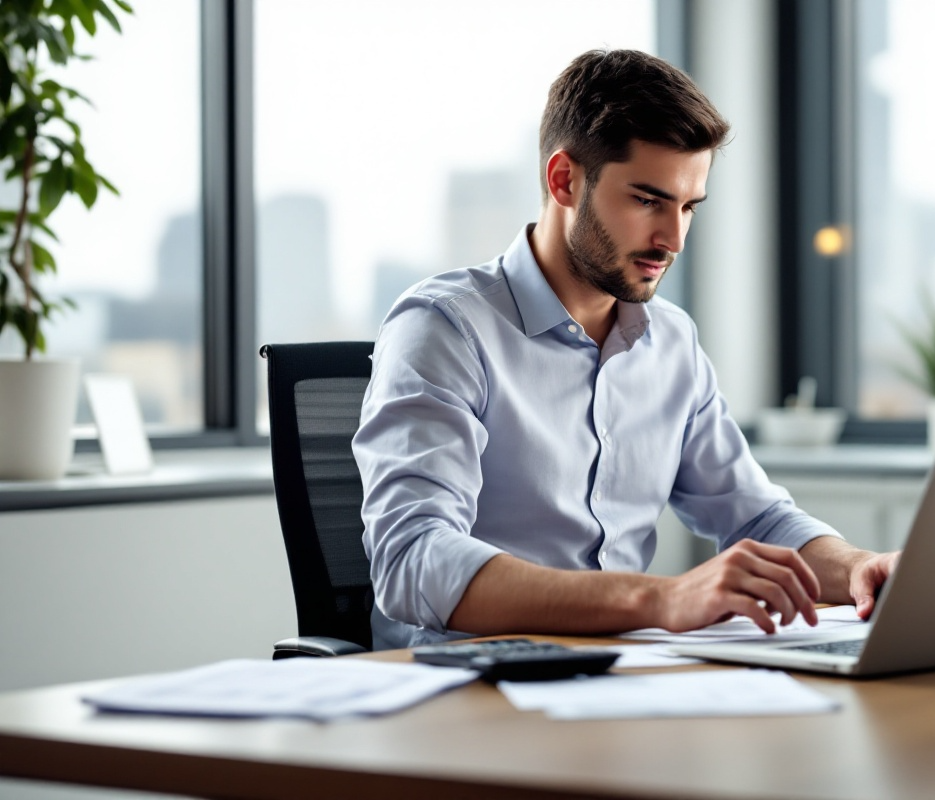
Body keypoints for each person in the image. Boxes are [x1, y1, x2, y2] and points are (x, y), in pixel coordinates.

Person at [354, 49, 898, 650]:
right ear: (564, 180)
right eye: (647, 200)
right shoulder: (445, 328)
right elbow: (412, 559)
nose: (673, 239)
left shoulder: (671, 343)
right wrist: (660, 598)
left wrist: (856, 570)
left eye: (688, 207)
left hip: (624, 678)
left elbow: (756, 518)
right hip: (466, 692)